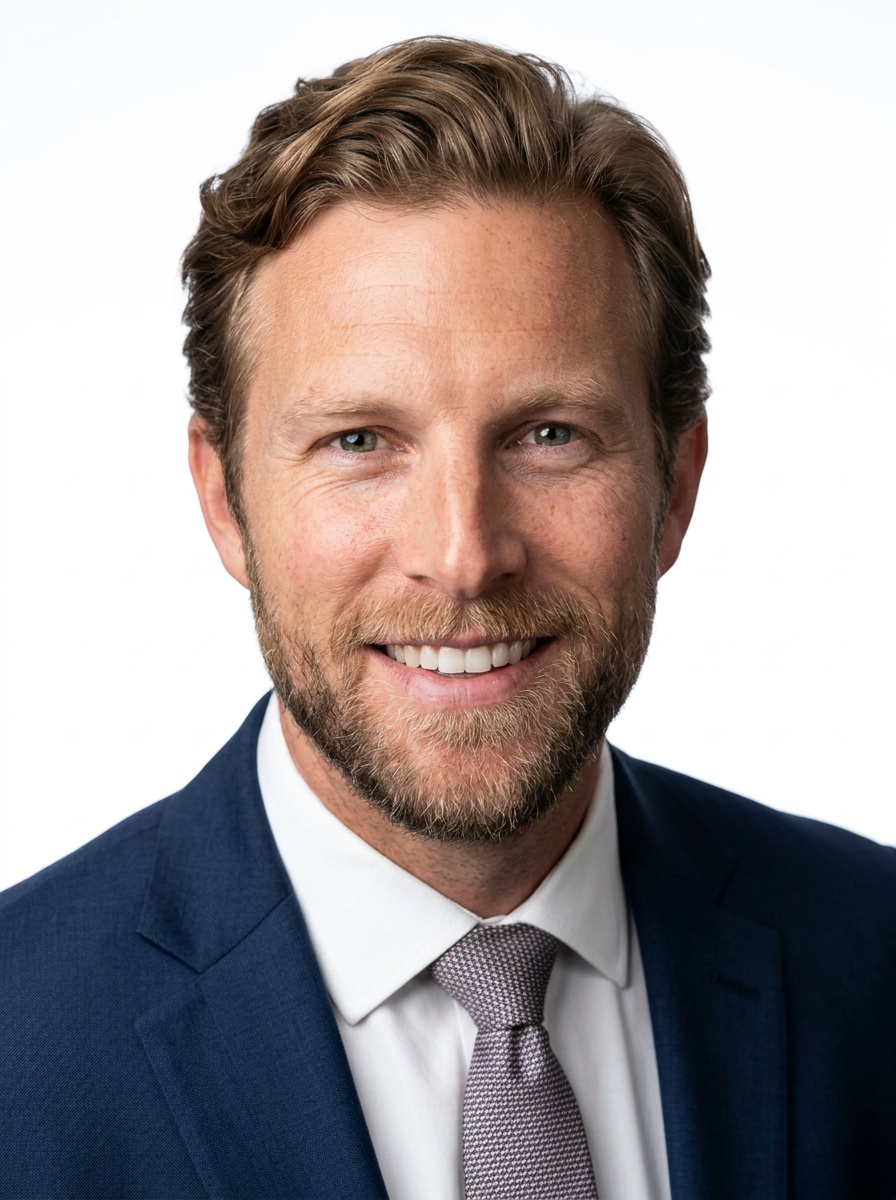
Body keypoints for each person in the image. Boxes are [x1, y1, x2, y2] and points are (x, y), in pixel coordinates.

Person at [1, 35, 893, 1200]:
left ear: (674, 485)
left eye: (547, 436)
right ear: (224, 498)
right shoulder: (21, 1046)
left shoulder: (871, 965)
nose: (463, 556)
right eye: (360, 442)